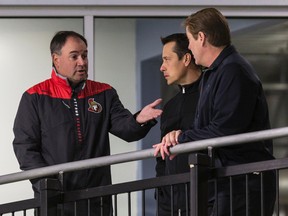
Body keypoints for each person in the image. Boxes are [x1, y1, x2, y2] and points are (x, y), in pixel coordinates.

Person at [12, 30, 162, 216]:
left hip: (98, 199)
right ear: (56, 59)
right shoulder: (34, 97)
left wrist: (139, 120)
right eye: (74, 56)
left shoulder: (104, 93)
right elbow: (25, 148)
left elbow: (126, 130)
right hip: (55, 201)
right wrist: (47, 184)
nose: (82, 62)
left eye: (84, 55)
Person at [154, 8, 276, 216]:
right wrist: (179, 136)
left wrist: (183, 138)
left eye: (190, 41)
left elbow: (226, 130)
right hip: (228, 184)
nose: (190, 49)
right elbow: (208, 128)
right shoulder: (216, 74)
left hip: (242, 184)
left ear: (201, 38)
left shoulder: (233, 71)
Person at [155, 33, 202, 215]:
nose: (162, 67)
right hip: (172, 205)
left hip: (208, 199)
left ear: (187, 59)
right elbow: (161, 158)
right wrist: (162, 197)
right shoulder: (170, 106)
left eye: (167, 59)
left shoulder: (212, 94)